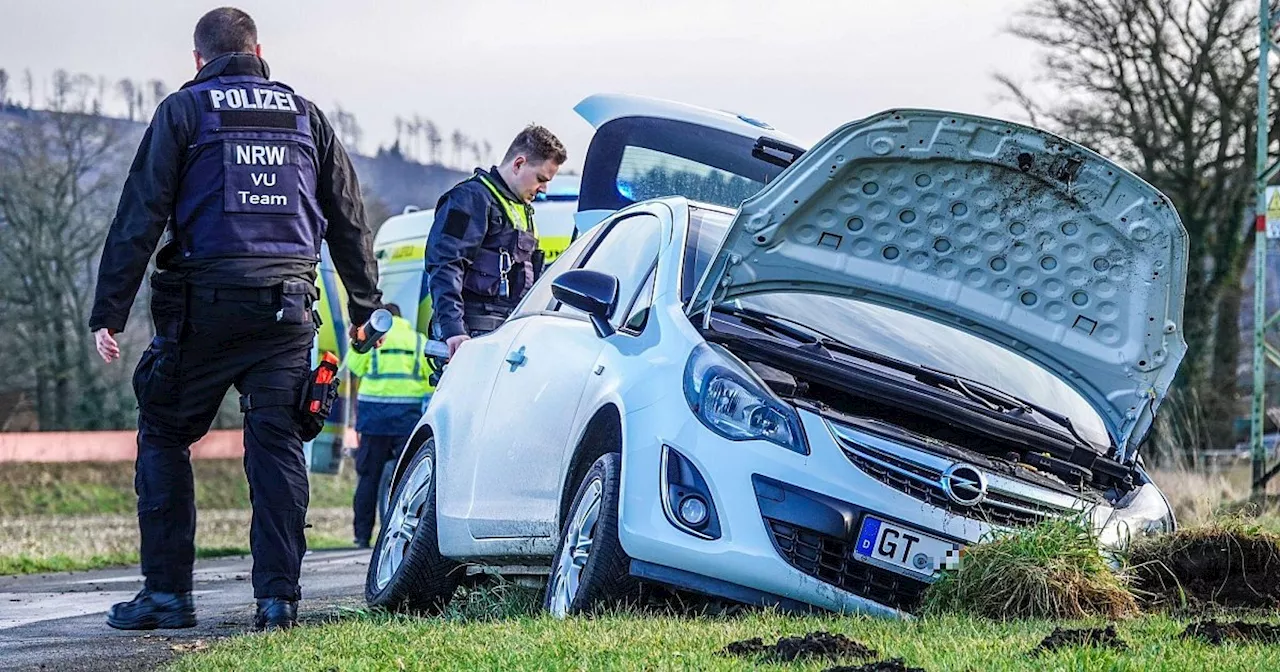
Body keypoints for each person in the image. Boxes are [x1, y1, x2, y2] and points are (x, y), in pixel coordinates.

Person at [89, 7, 382, 631]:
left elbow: (140, 214)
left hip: (204, 308)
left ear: (198, 59)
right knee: (276, 448)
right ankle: (277, 603)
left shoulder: (185, 110)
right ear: (259, 49)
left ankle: (168, 597)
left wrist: (108, 311)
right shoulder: (307, 116)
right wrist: (364, 308)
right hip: (287, 311)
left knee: (165, 435)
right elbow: (349, 219)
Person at [424, 125, 567, 356]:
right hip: (471, 333)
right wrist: (453, 330)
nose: (544, 189)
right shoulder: (469, 199)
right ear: (519, 164)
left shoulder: (522, 211)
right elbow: (445, 264)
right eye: (541, 178)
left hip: (506, 331)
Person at [344, 304, 435, 548]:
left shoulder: (374, 338)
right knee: (406, 478)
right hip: (407, 418)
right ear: (401, 317)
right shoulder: (418, 341)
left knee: (368, 477)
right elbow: (430, 380)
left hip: (373, 418)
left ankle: (361, 536)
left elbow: (354, 365)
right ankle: (400, 536)